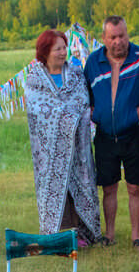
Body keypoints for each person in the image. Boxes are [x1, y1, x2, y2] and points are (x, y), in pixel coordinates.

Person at [84, 16, 139, 250]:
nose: (119, 41)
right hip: (105, 136)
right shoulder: (93, 62)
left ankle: (136, 237)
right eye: (113, 37)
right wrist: (94, 112)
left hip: (135, 134)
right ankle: (109, 236)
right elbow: (85, 93)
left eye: (122, 36)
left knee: (134, 186)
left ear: (128, 34)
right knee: (108, 187)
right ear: (104, 39)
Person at [25, 29, 101, 246]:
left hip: (77, 145)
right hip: (48, 150)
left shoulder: (76, 74)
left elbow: (82, 102)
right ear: (45, 52)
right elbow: (38, 109)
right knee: (57, 187)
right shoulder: (35, 79)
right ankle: (59, 235)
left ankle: (82, 233)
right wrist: (67, 116)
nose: (62, 52)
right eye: (57, 48)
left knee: (80, 183)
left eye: (64, 47)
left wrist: (69, 116)